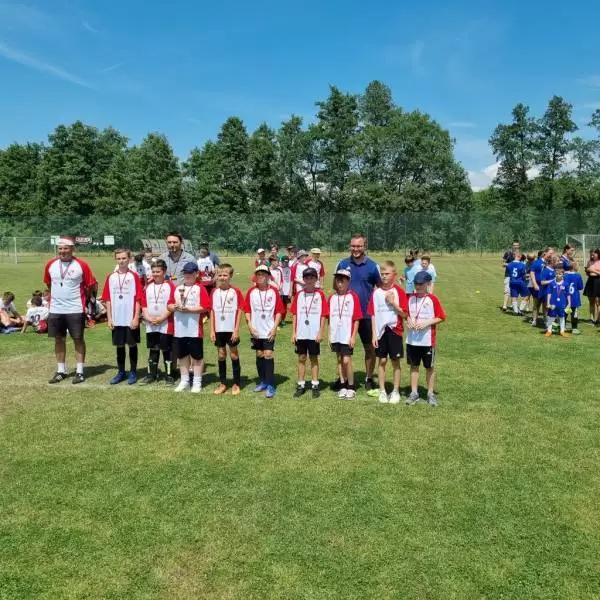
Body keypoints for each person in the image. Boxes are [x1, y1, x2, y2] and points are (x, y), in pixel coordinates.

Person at [43, 238, 96, 384]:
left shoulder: (82, 265)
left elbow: (90, 285)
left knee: (78, 339)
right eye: (60, 248)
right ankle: (61, 371)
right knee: (59, 339)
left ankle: (79, 372)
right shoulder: (50, 264)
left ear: (72, 249)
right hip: (56, 308)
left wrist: (84, 300)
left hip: (75, 308)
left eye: (66, 248)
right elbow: (48, 283)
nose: (62, 251)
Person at [336, 233, 382, 391]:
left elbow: (380, 288)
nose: (356, 249)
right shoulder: (342, 264)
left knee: (370, 348)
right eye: (353, 246)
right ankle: (343, 379)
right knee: (342, 350)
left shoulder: (373, 266)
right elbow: (336, 285)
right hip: (346, 316)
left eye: (359, 246)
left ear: (364, 246)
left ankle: (369, 378)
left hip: (366, 315)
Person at [367, 260, 408, 404]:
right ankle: (382, 390)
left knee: (395, 361)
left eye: (387, 274)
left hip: (395, 330)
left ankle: (395, 391)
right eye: (382, 274)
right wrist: (374, 334)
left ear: (394, 274)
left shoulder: (399, 292)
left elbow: (404, 314)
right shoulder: (376, 292)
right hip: (380, 332)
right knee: (382, 360)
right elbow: (372, 314)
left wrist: (393, 303)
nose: (384, 276)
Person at [101, 249, 144, 385]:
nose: (121, 261)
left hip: (130, 318)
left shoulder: (134, 276)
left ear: (129, 259)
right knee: (119, 346)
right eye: (119, 258)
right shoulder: (111, 277)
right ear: (115, 259)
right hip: (116, 318)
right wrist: (109, 318)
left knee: (132, 344)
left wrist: (136, 317)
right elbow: (107, 299)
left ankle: (133, 372)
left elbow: (138, 298)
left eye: (124, 258)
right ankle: (121, 372)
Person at [405, 271, 447, 407]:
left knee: (429, 367)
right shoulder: (410, 298)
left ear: (428, 284)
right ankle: (414, 393)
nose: (418, 287)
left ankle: (430, 393)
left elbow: (441, 316)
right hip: (412, 340)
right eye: (416, 284)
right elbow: (406, 314)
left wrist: (427, 322)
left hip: (427, 341)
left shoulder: (432, 299)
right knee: (414, 366)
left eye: (421, 284)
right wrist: (408, 320)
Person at [168, 262, 210, 393]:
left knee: (196, 357)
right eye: (185, 273)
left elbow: (205, 307)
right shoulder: (177, 288)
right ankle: (184, 380)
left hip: (194, 329)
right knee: (182, 356)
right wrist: (173, 307)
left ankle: (197, 382)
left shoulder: (200, 288)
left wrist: (189, 309)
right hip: (179, 329)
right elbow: (169, 305)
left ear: (196, 274)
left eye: (190, 273)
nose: (187, 275)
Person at [244, 265, 284, 398]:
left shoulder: (274, 291)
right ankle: (263, 381)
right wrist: (250, 326)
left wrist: (274, 328)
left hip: (268, 330)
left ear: (268, 276)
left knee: (268, 354)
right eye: (259, 274)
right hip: (256, 330)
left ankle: (271, 384)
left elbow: (279, 311)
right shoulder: (251, 291)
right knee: (259, 354)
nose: (261, 276)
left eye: (264, 274)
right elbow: (247, 310)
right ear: (255, 276)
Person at [290, 267, 328, 398]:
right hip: (301, 333)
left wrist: (321, 332)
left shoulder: (320, 295)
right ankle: (301, 384)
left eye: (312, 277)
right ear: (303, 280)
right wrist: (293, 332)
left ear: (316, 279)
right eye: (306, 278)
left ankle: (315, 384)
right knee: (301, 358)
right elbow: (294, 314)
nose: (309, 280)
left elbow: (323, 315)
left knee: (313, 358)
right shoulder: (299, 295)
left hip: (314, 334)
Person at [209, 263, 244, 395]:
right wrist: (212, 330)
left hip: (231, 329)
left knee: (233, 353)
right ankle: (223, 383)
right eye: (220, 275)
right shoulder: (214, 292)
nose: (222, 277)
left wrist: (236, 330)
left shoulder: (236, 291)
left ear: (230, 276)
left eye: (225, 275)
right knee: (221, 354)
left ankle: (236, 383)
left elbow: (239, 310)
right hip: (219, 329)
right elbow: (212, 311)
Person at [139, 259, 175, 385]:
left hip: (165, 324)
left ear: (164, 272)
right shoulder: (148, 286)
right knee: (153, 349)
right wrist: (148, 318)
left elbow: (172, 305)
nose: (155, 274)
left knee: (166, 350)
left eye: (158, 272)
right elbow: (144, 305)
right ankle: (151, 375)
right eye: (153, 272)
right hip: (150, 324)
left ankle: (169, 375)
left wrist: (161, 318)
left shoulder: (170, 286)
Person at [328, 268, 362, 399]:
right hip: (335, 334)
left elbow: (356, 319)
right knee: (339, 359)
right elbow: (330, 318)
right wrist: (329, 335)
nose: (339, 283)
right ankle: (342, 384)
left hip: (347, 335)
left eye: (342, 280)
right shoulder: (332, 297)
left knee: (347, 360)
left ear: (348, 281)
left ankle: (351, 386)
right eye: (338, 280)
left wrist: (353, 336)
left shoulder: (353, 297)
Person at [545, 263, 570, 337]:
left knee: (562, 317)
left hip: (562, 303)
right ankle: (549, 331)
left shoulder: (566, 284)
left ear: (563, 275)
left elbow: (568, 294)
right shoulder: (551, 283)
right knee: (551, 317)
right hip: (553, 303)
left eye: (559, 274)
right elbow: (549, 293)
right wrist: (548, 303)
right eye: (556, 274)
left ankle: (562, 331)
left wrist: (569, 303)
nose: (557, 275)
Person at [564, 261, 584, 334]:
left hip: (565, 298)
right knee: (574, 313)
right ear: (574, 267)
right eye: (578, 265)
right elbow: (580, 287)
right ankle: (574, 328)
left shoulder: (565, 275)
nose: (578, 267)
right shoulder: (578, 276)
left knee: (564, 313)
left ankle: (562, 327)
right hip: (574, 298)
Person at [502, 240, 521, 312]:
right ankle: (504, 306)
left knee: (516, 291)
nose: (516, 247)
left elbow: (523, 264)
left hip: (518, 276)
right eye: (514, 245)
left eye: (517, 245)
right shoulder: (508, 253)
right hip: (508, 275)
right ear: (512, 246)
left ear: (519, 246)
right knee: (507, 290)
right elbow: (503, 264)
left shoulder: (521, 254)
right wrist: (511, 265)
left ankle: (513, 305)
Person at [583, 249, 600, 325]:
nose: (592, 256)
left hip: (598, 281)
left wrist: (592, 271)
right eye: (591, 255)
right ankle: (592, 318)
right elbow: (588, 273)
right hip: (590, 281)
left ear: (598, 254)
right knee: (591, 301)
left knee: (598, 302)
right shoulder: (589, 262)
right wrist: (587, 271)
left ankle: (598, 319)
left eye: (594, 254)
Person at [279, 255, 292, 326]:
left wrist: (290, 291)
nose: (285, 263)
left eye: (287, 262)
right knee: (278, 306)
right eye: (284, 262)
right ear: (281, 262)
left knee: (284, 307)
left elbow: (291, 281)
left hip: (286, 291)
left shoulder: (290, 270)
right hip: (279, 291)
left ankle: (283, 320)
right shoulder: (278, 269)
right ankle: (277, 320)